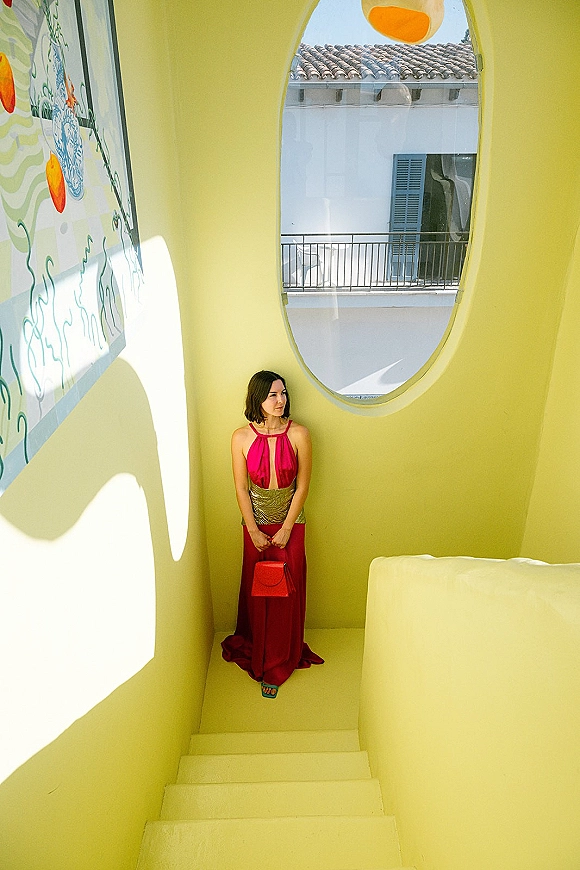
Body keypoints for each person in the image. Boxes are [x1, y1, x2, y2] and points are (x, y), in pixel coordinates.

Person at [221, 370, 324, 698]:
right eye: (271, 395)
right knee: (260, 592)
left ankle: (281, 660)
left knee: (287, 592)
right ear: (257, 399)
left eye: (283, 394)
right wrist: (252, 529)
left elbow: (303, 485)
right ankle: (261, 653)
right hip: (254, 526)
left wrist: (286, 529)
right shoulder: (240, 438)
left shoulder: (301, 434)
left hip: (291, 524)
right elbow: (240, 487)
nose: (279, 401)